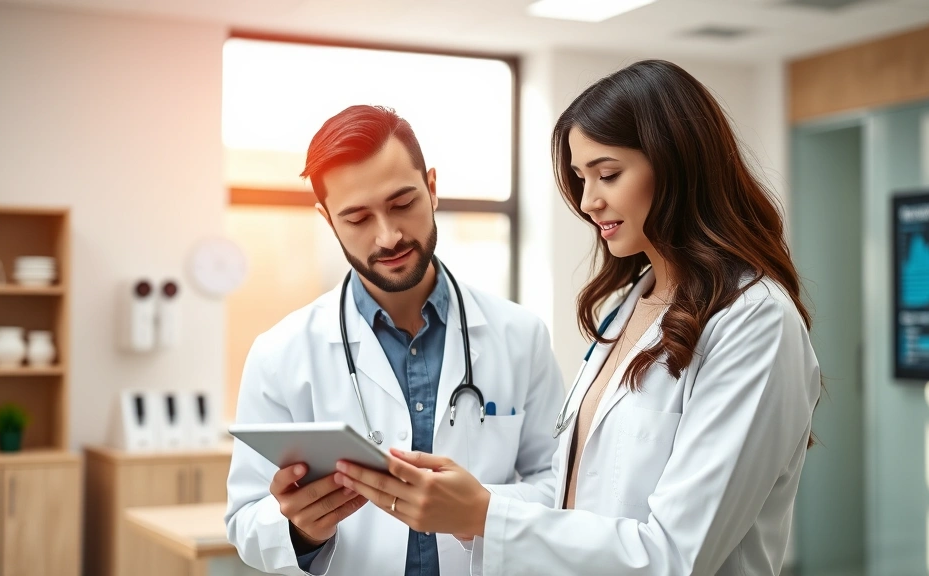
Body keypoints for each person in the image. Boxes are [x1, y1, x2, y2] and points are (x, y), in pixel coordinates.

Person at [334, 60, 822, 576]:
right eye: (580, 178)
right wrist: (467, 503)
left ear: (678, 163)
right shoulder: (636, 301)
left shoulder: (754, 321)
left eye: (608, 174)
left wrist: (485, 514)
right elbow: (582, 503)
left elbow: (677, 555)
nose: (589, 202)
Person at [225, 105, 565, 576]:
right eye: (358, 218)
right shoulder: (280, 354)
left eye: (402, 203)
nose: (388, 237)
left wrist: (481, 510)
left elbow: (562, 483)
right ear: (327, 220)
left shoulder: (521, 336)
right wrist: (301, 530)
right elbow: (244, 521)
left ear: (431, 187)